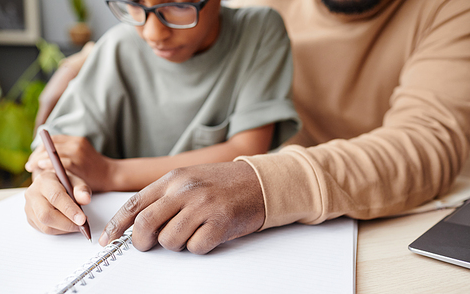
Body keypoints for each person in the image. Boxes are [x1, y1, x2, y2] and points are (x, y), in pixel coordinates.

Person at [35, 0, 470, 256]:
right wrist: (83, 63)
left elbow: (428, 141)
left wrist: (260, 182)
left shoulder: (451, 11)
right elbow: (166, 25)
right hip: (245, 212)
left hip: (363, 217)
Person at [24, 0, 300, 234]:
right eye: (134, 4)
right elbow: (52, 152)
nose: (154, 33)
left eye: (178, 6)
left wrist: (111, 173)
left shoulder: (259, 30)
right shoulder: (118, 48)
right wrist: (46, 180)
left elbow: (247, 150)